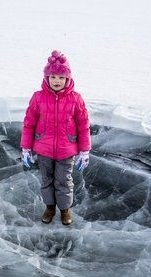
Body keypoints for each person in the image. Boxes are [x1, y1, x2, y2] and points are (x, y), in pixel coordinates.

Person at [20, 50, 91, 226]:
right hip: (43, 148)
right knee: (47, 180)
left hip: (67, 150)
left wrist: (84, 151)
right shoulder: (38, 97)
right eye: (52, 77)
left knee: (64, 181)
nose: (56, 81)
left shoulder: (76, 99)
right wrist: (26, 148)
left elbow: (83, 125)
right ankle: (50, 207)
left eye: (60, 77)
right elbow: (29, 123)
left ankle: (65, 210)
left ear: (67, 79)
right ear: (46, 78)